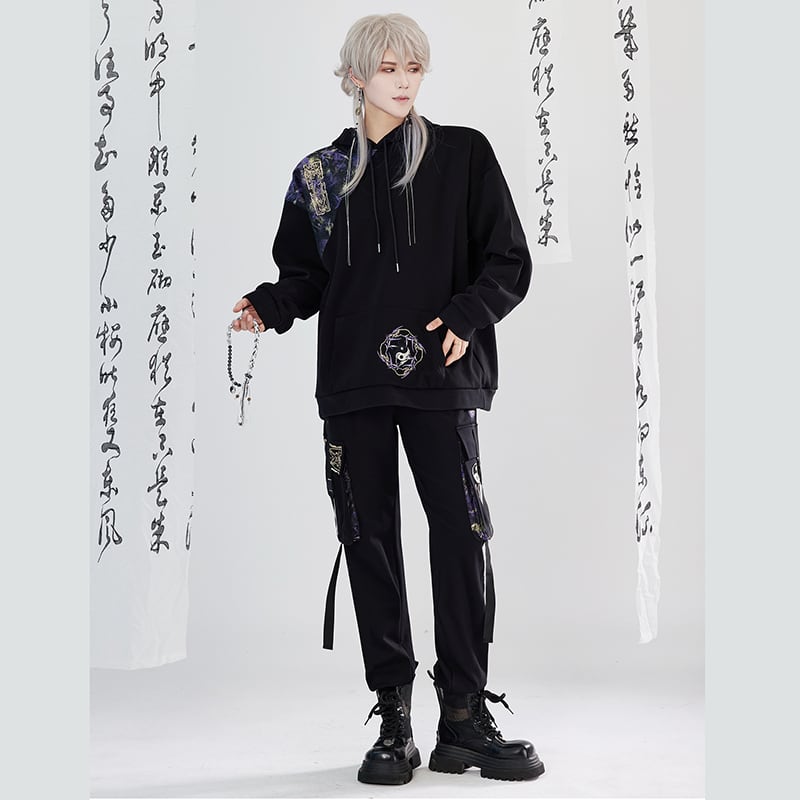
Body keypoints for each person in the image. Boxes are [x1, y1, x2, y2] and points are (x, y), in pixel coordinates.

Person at [231, 12, 545, 785]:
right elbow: (306, 277)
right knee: (368, 538)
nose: (404, 81)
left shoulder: (463, 155)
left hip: (441, 379)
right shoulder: (320, 175)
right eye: (389, 67)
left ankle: (463, 716)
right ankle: (394, 717)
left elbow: (508, 258)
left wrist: (467, 316)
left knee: (461, 535)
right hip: (354, 383)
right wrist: (268, 306)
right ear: (355, 75)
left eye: (415, 67)